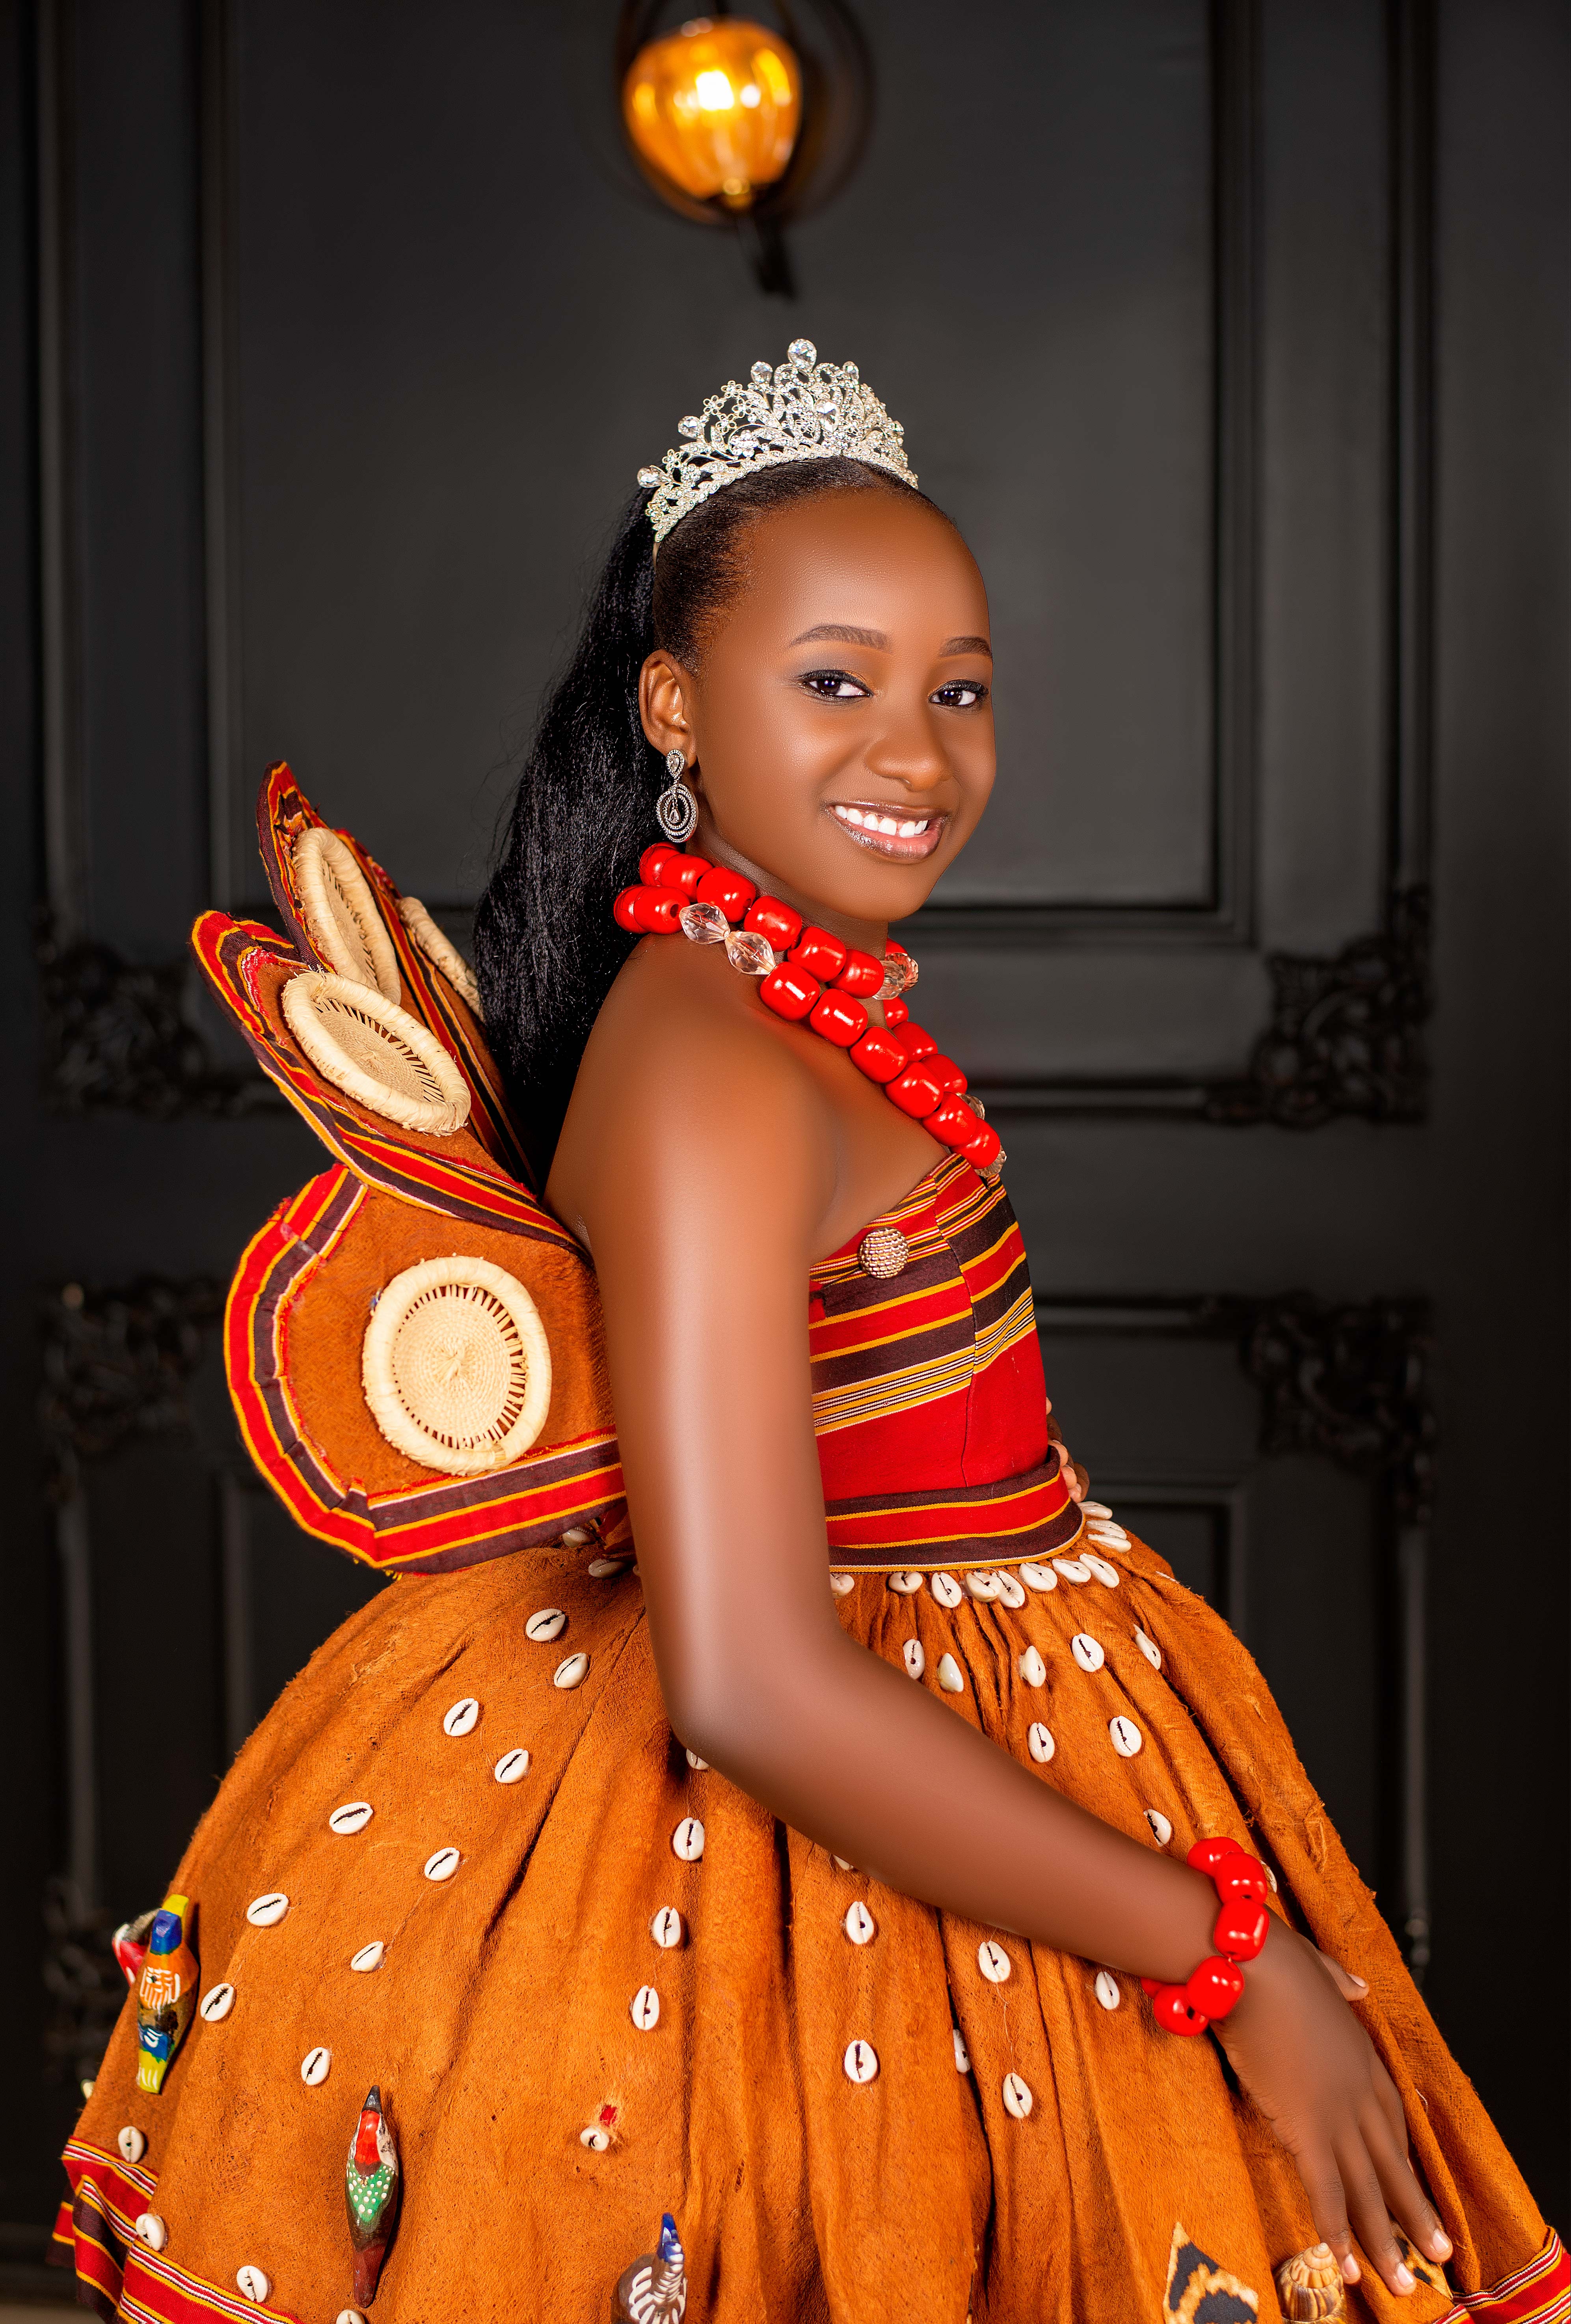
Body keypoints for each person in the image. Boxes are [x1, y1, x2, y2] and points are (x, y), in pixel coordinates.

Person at [56, 346, 1562, 2324]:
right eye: (837, 680)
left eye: (959, 687)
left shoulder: (779, 1000)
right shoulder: (702, 1063)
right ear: (677, 703)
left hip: (986, 1737)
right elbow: (754, 1681)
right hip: (788, 1864)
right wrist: (1224, 1954)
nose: (916, 752)